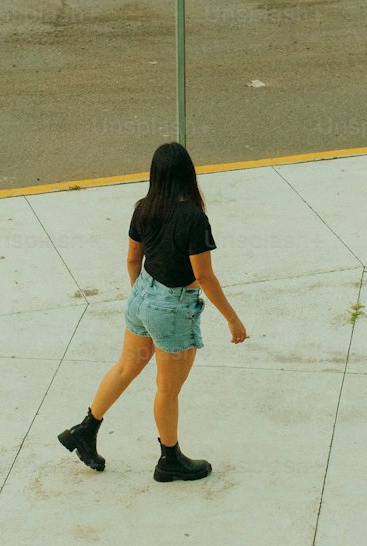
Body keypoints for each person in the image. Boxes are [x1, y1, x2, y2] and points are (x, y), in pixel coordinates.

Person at [59, 142, 247, 481]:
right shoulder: (193, 217)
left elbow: (133, 259)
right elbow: (203, 275)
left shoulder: (143, 208)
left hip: (141, 295)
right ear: (188, 174)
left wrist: (143, 299)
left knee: (125, 368)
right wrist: (233, 319)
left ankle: (85, 430)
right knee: (167, 389)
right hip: (172, 309)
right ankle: (169, 460)